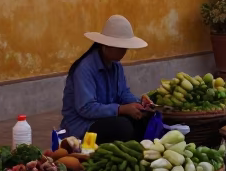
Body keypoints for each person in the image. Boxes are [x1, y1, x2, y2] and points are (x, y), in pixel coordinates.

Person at [61, 14, 155, 142]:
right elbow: (86, 108)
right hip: (82, 126)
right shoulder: (85, 68)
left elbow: (123, 93)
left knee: (143, 120)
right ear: (106, 46)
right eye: (120, 48)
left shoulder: (116, 66)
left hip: (105, 118)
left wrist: (139, 104)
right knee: (122, 127)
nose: (124, 52)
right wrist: (121, 109)